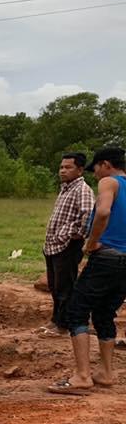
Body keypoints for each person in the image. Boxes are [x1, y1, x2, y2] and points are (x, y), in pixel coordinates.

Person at [48, 147, 126, 395]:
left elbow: (102, 212)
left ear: (105, 164)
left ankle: (82, 375)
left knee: (75, 311)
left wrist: (90, 243)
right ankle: (105, 372)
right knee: (104, 313)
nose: (95, 174)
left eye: (97, 168)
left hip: (106, 257)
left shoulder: (109, 182)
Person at [40, 152, 94, 336]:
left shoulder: (82, 189)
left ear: (80, 170)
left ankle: (63, 325)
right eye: (61, 167)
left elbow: (88, 216)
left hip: (67, 246)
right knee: (55, 286)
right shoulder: (66, 188)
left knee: (65, 288)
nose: (63, 170)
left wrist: (71, 234)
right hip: (54, 246)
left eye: (68, 167)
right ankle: (56, 320)